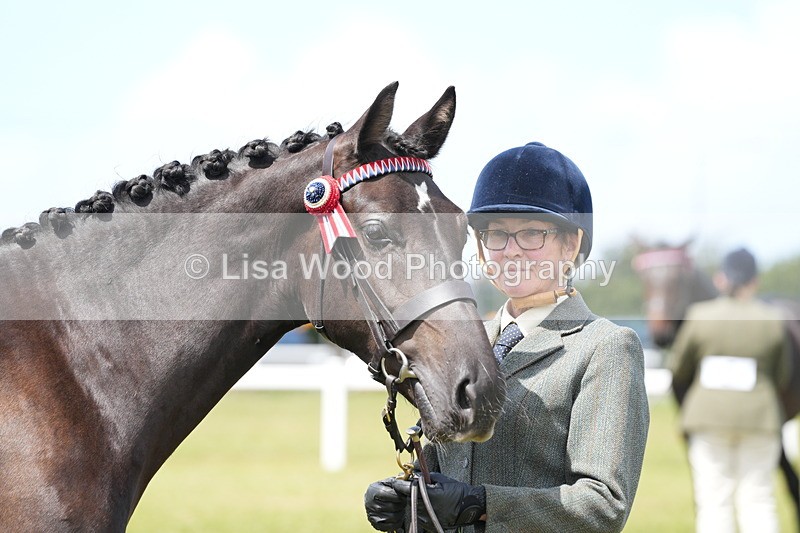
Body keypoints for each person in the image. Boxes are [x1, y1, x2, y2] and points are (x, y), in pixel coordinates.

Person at [364, 142, 650, 532]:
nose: (511, 252)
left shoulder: (604, 347)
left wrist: (478, 505)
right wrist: (408, 494)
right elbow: (451, 465)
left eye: (532, 233)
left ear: (572, 244)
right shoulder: (469, 341)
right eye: (497, 234)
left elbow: (604, 504)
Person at [669, 247, 792, 533]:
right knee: (759, 500)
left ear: (721, 279)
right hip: (761, 419)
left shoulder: (700, 315)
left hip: (708, 419)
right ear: (754, 281)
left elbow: (679, 367)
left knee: (714, 502)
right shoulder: (773, 319)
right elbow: (783, 373)